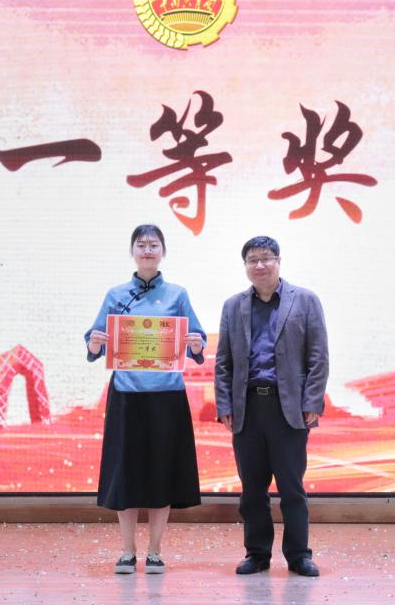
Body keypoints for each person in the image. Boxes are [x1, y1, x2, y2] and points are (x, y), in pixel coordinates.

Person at [85, 224, 207, 575]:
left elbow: (196, 339)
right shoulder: (116, 295)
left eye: (154, 244)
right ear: (133, 251)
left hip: (167, 396)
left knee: (161, 473)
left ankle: (155, 551)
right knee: (125, 474)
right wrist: (95, 343)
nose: (148, 250)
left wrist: (196, 344)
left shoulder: (178, 295)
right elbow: (95, 342)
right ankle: (127, 551)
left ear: (163, 251)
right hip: (127, 395)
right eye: (141, 244)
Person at [214, 235, 329, 577]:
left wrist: (312, 401)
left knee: (292, 488)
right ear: (245, 266)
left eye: (266, 258)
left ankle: (299, 556)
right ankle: (257, 554)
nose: (260, 265)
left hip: (288, 408)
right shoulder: (233, 306)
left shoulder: (305, 301)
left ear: (278, 261)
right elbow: (223, 362)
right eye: (252, 260)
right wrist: (224, 404)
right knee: (252, 490)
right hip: (247, 408)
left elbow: (318, 356)